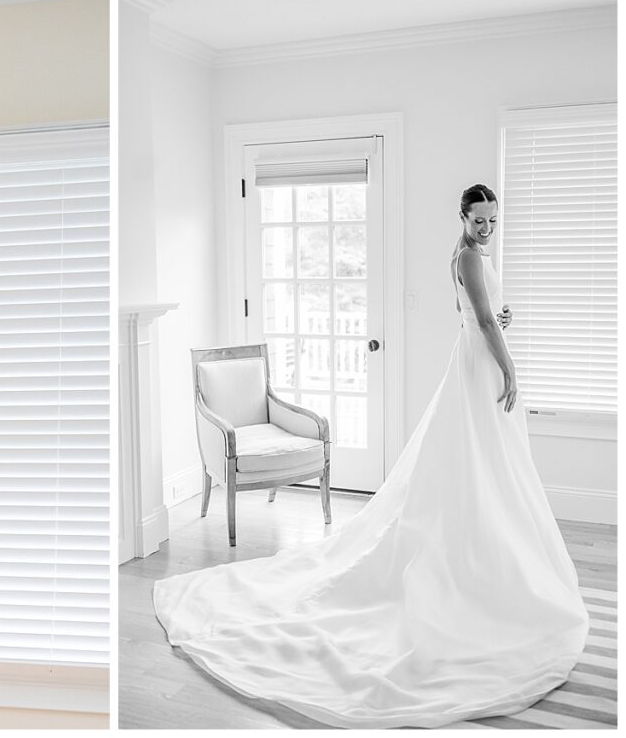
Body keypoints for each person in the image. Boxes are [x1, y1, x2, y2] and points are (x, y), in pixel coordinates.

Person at [152, 185, 589, 728]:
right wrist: (512, 367)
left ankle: (486, 541)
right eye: (480, 220)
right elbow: (477, 321)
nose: (488, 229)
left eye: (494, 221)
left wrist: (500, 323)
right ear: (463, 217)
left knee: (484, 462)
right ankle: (472, 557)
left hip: (476, 362)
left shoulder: (469, 255)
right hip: (480, 365)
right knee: (477, 458)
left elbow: (482, 317)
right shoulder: (469, 257)